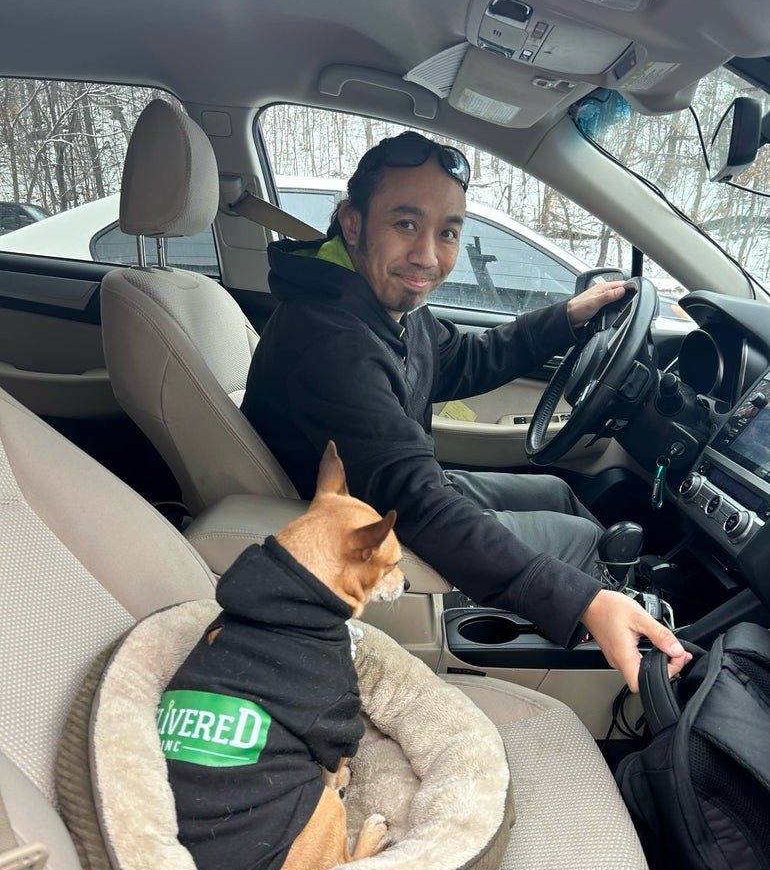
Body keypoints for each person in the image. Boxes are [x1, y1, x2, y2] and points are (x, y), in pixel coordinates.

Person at [241, 132, 690, 689]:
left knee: (555, 492)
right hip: (361, 528)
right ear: (353, 223)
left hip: (384, 491)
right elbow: (417, 504)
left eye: (447, 232)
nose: (428, 256)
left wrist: (566, 318)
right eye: (406, 224)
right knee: (584, 542)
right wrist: (583, 600)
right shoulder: (332, 340)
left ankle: (631, 592)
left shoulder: (374, 300)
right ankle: (641, 651)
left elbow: (461, 360)